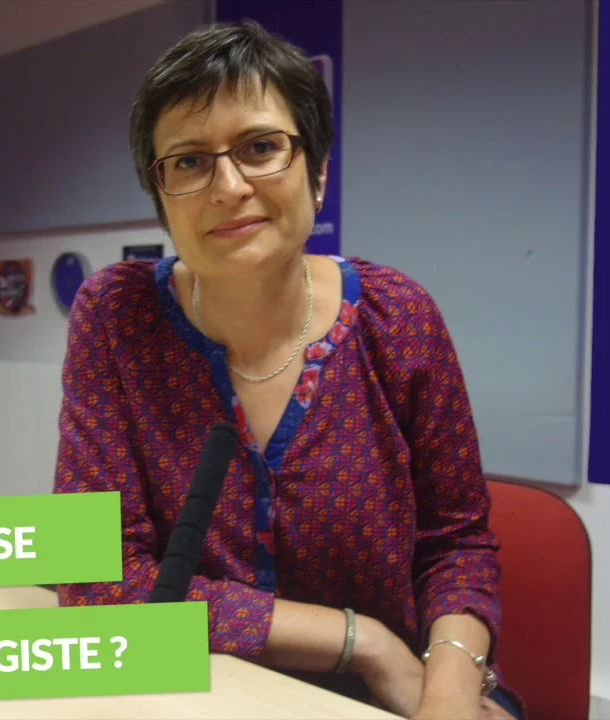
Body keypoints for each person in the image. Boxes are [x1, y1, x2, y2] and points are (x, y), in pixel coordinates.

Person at [52, 19, 523, 720]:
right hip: (200, 693)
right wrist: (363, 642)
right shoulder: (117, 316)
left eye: (260, 148)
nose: (228, 186)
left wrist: (446, 696)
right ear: (161, 198)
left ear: (319, 171)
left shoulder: (399, 318)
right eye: (189, 161)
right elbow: (97, 582)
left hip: (392, 698)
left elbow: (456, 546)